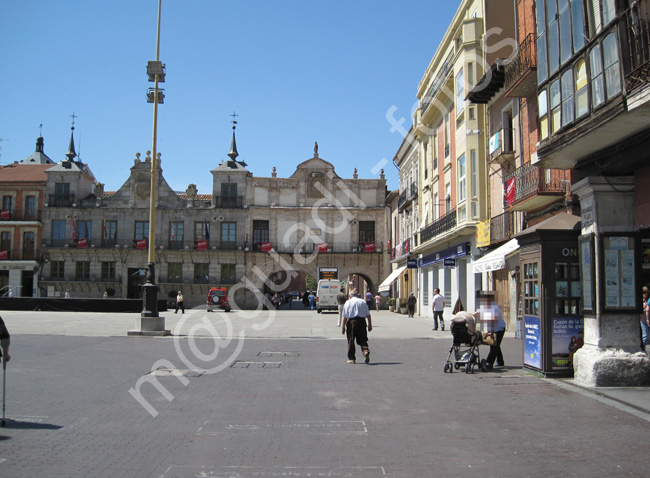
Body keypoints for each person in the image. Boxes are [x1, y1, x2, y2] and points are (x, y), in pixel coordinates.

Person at [341, 288, 373, 364]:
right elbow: (368, 315)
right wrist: (370, 325)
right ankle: (365, 351)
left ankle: (351, 358)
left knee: (351, 340)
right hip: (362, 322)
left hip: (352, 322)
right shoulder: (363, 302)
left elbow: (345, 316)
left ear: (350, 296)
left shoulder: (348, 303)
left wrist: (343, 327)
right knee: (363, 339)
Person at [479, 294, 506, 369]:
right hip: (493, 329)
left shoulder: (495, 307)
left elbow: (493, 318)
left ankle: (489, 362)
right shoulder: (485, 307)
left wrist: (488, 330)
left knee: (494, 346)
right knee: (496, 344)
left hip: (499, 329)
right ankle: (500, 361)